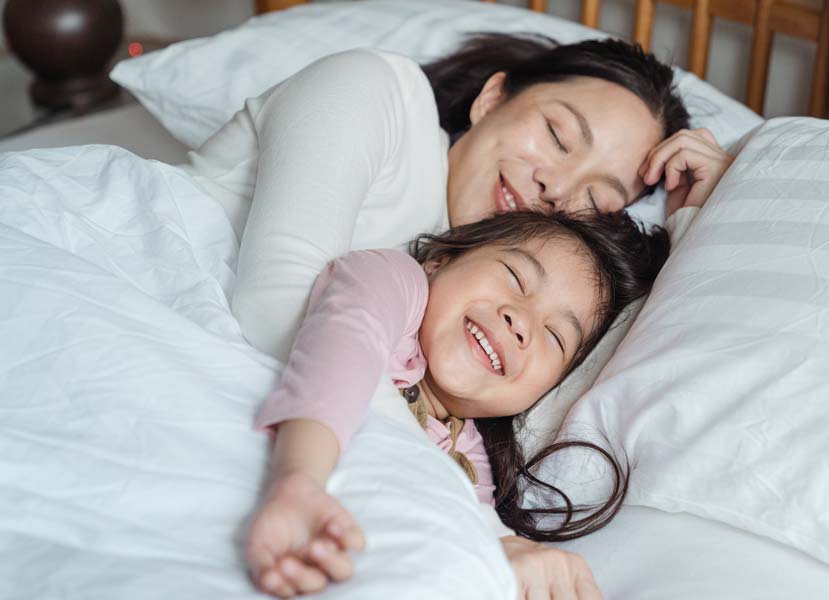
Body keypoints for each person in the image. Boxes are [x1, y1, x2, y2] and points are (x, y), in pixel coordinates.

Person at [180, 33, 734, 364]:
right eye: (559, 136)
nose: (558, 189)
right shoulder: (376, 89)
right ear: (492, 98)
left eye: (597, 198)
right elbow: (276, 304)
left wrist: (687, 221)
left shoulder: (490, 289)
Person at [246, 210, 670, 599]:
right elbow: (345, 344)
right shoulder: (394, 282)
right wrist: (298, 480)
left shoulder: (473, 465)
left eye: (556, 337)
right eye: (515, 277)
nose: (520, 322)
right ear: (441, 260)